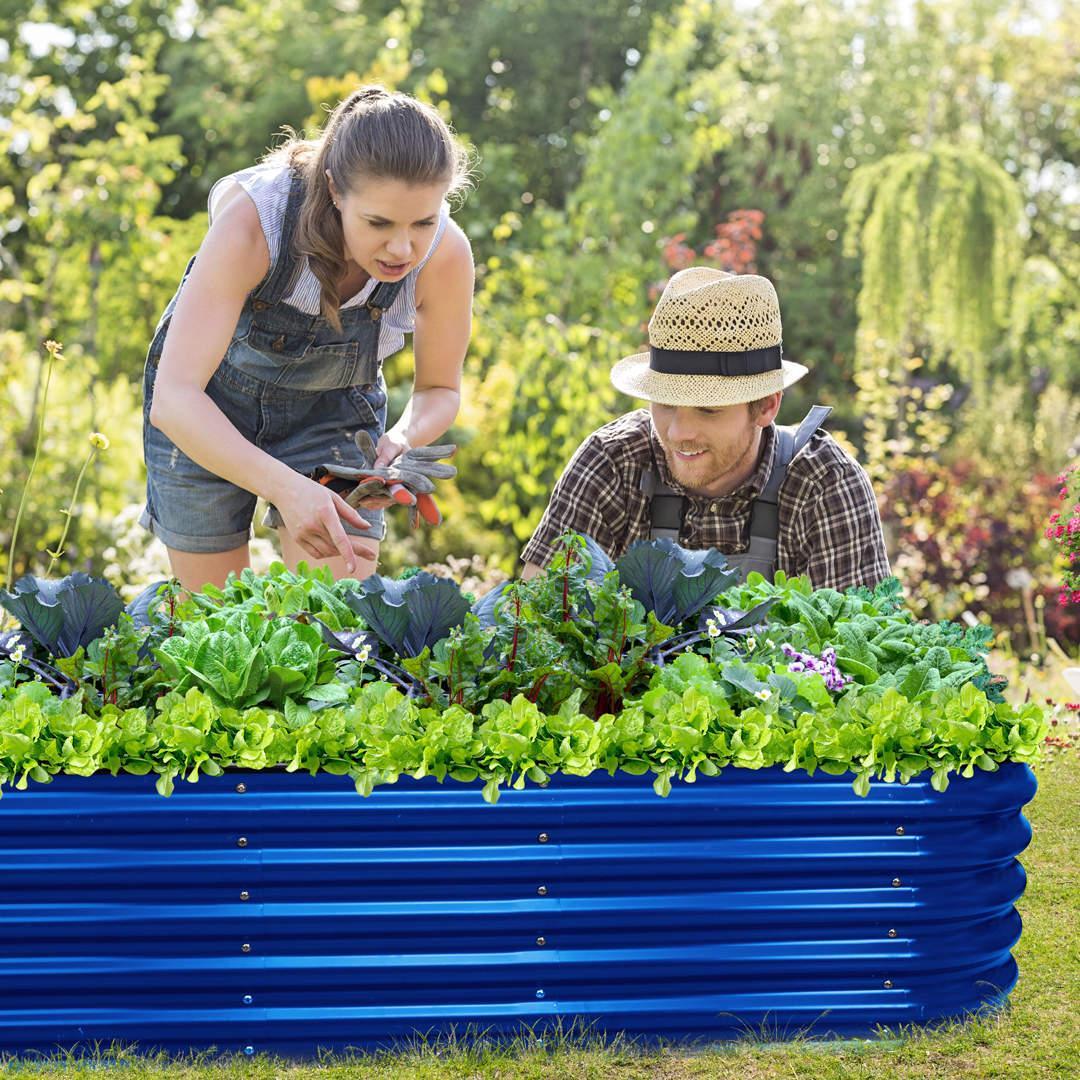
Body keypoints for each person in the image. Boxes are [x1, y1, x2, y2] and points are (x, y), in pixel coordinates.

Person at [141, 85, 475, 591]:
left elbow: (438, 390)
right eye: (378, 222)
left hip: (331, 416)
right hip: (206, 413)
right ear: (336, 190)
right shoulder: (256, 222)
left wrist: (399, 442)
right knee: (214, 625)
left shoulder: (445, 255)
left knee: (330, 621)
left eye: (424, 221)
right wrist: (286, 488)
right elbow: (174, 397)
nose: (403, 246)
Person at [521, 266, 891, 591]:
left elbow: (853, 657)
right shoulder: (613, 463)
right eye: (665, 404)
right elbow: (541, 622)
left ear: (766, 406)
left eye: (708, 410)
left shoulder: (823, 483)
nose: (679, 432)